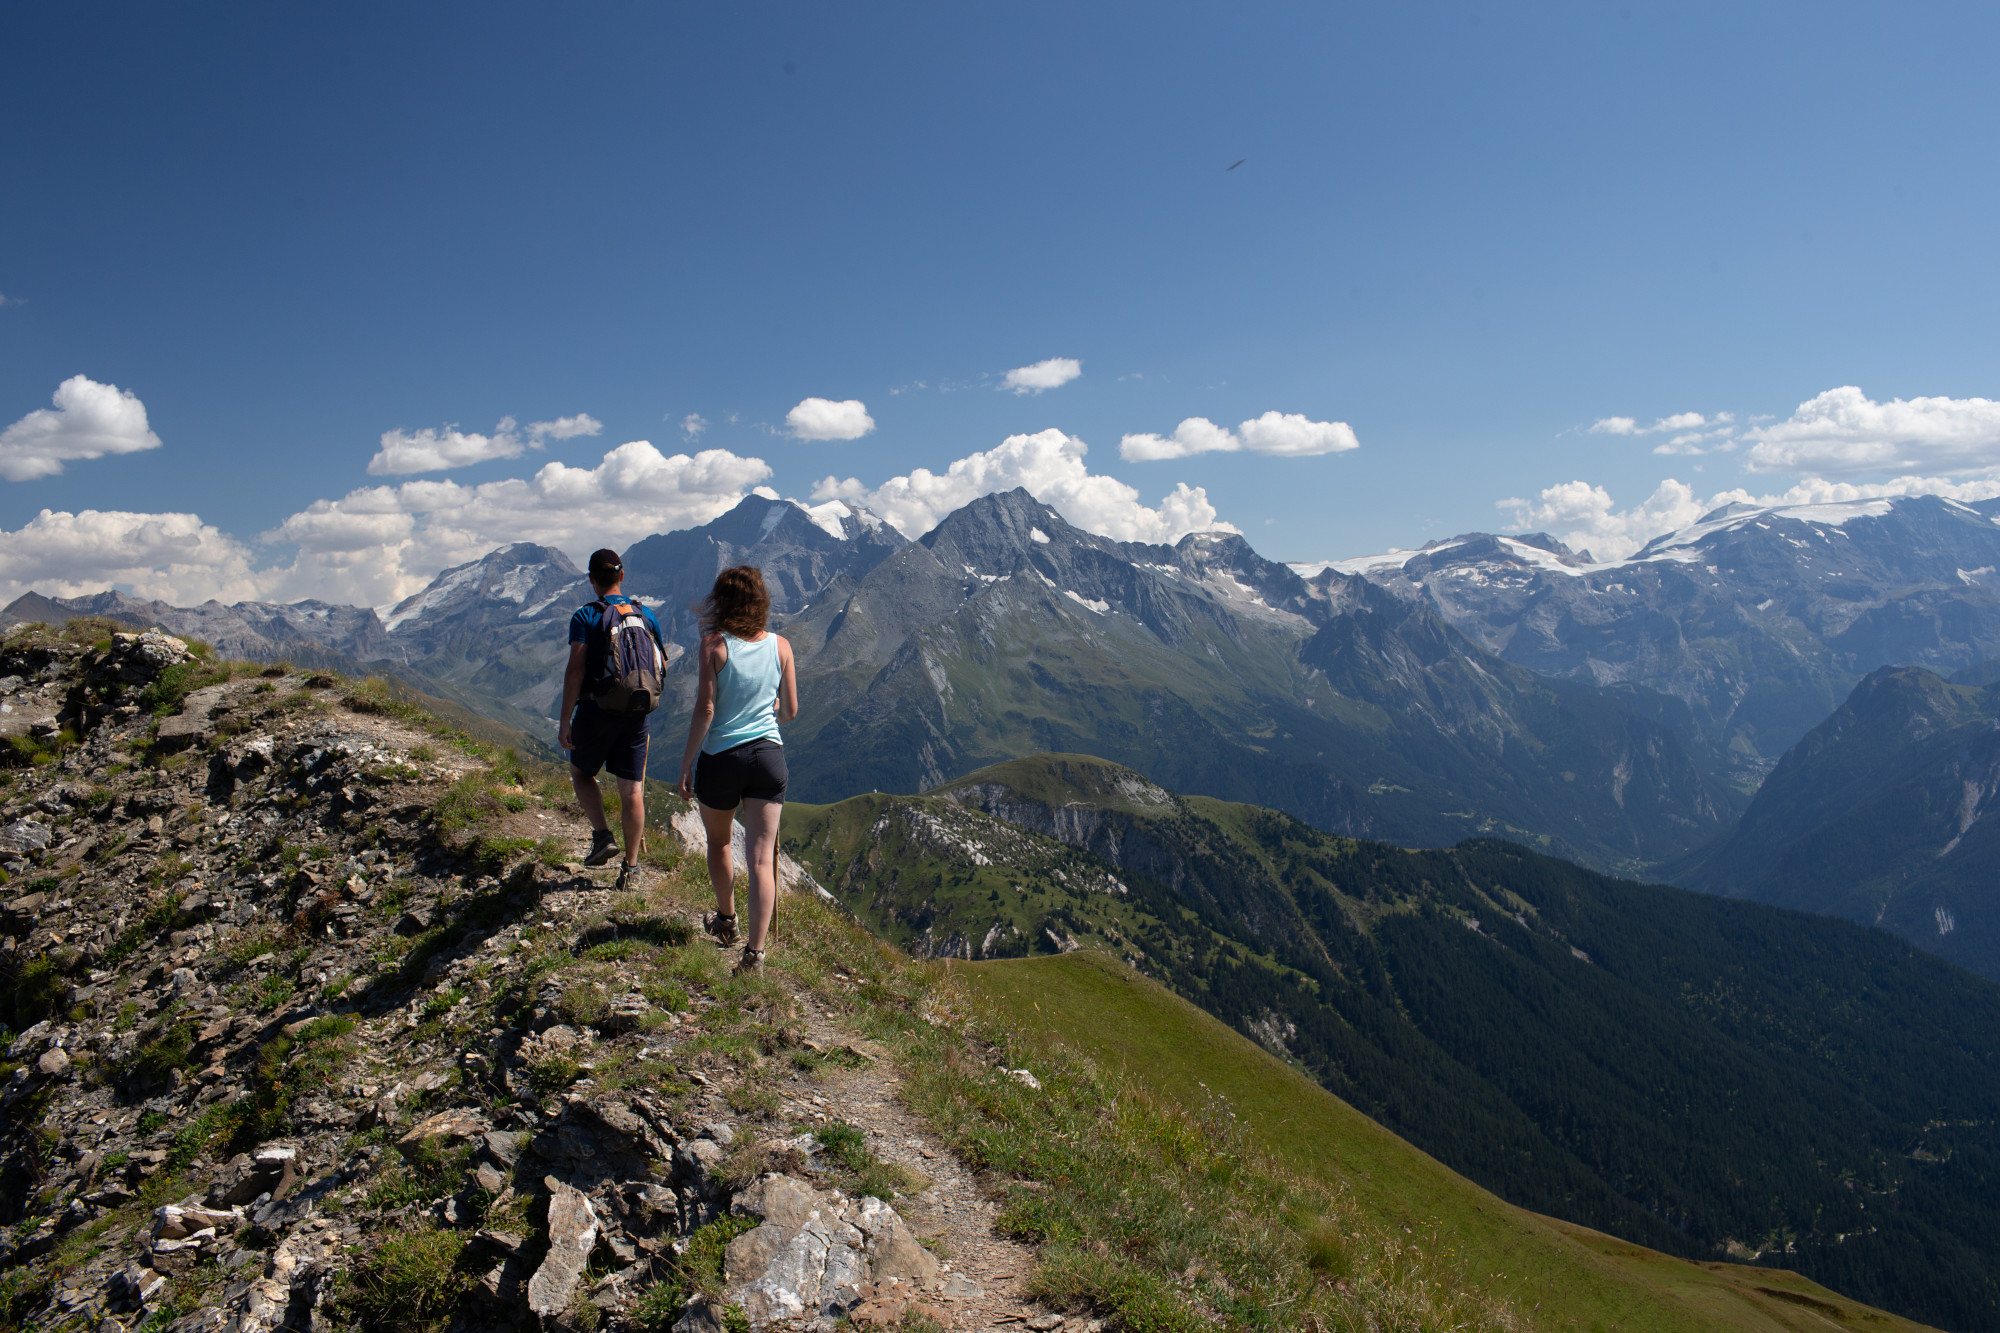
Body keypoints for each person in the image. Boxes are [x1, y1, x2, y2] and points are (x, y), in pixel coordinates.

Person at [678, 565, 798, 975]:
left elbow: (706, 709)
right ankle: (755, 954)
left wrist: (686, 763)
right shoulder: (782, 646)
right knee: (763, 860)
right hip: (769, 758)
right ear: (761, 600)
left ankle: (726, 920)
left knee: (720, 843)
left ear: (721, 601)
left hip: (722, 759)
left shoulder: (713, 644)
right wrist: (770, 707)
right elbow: (791, 710)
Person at [558, 548, 668, 886]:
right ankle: (632, 868)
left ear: (591, 580)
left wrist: (565, 720)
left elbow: (576, 670)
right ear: (622, 576)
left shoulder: (585, 616)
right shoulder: (646, 614)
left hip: (596, 709)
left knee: (580, 772)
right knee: (631, 789)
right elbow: (661, 663)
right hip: (637, 713)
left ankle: (603, 836)